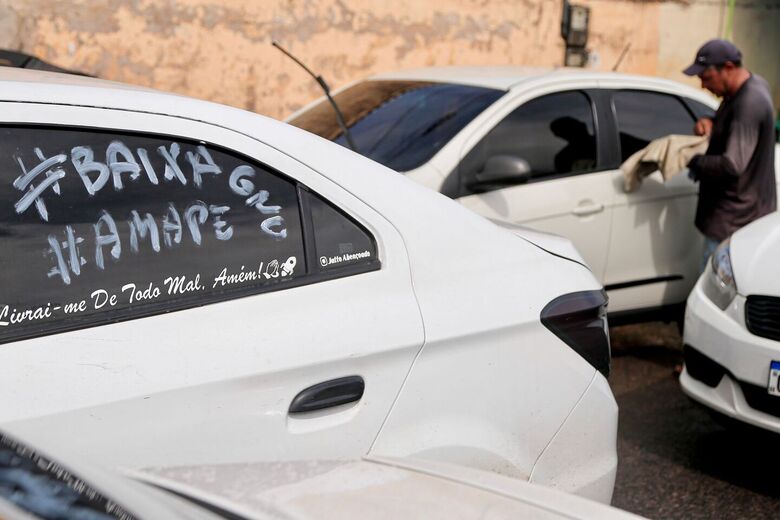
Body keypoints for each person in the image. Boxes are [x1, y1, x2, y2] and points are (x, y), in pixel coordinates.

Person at [683, 39, 776, 271]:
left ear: (728, 68)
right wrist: (711, 121)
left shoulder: (749, 102)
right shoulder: (751, 87)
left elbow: (732, 164)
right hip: (737, 218)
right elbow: (737, 126)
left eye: (706, 77)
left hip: (734, 223)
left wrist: (693, 161)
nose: (703, 86)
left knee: (715, 298)